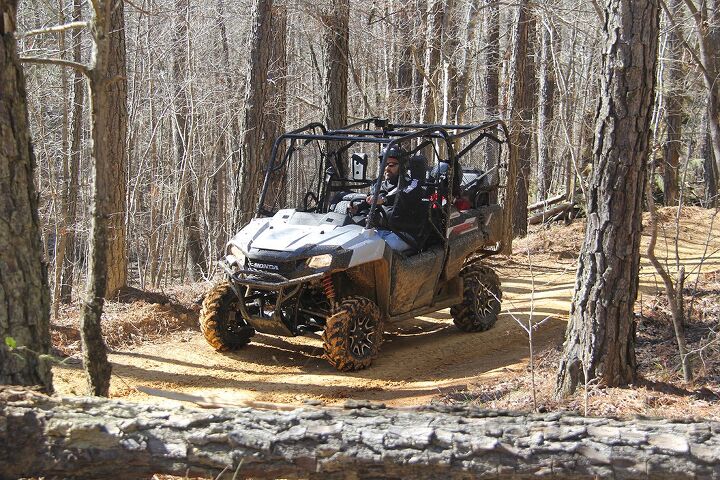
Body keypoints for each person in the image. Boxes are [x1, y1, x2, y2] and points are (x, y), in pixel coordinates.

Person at [350, 145, 423, 251]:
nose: (387, 168)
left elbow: (402, 195)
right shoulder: (379, 185)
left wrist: (384, 199)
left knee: (380, 250)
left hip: (403, 235)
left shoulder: (411, 184)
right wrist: (357, 207)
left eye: (392, 165)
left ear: (402, 166)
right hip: (380, 231)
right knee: (357, 246)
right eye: (384, 164)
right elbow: (370, 200)